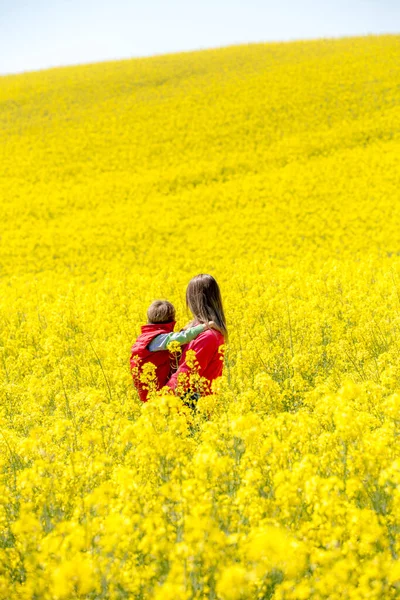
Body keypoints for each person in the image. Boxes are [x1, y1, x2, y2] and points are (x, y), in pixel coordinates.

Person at [130, 299, 219, 402]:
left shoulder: (147, 337)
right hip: (155, 389)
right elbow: (182, 338)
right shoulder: (158, 339)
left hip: (147, 387)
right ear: (171, 320)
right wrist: (204, 327)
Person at [167, 274, 227, 400]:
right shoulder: (194, 330)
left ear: (193, 300)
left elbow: (186, 374)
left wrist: (160, 399)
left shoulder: (209, 336)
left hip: (195, 406)